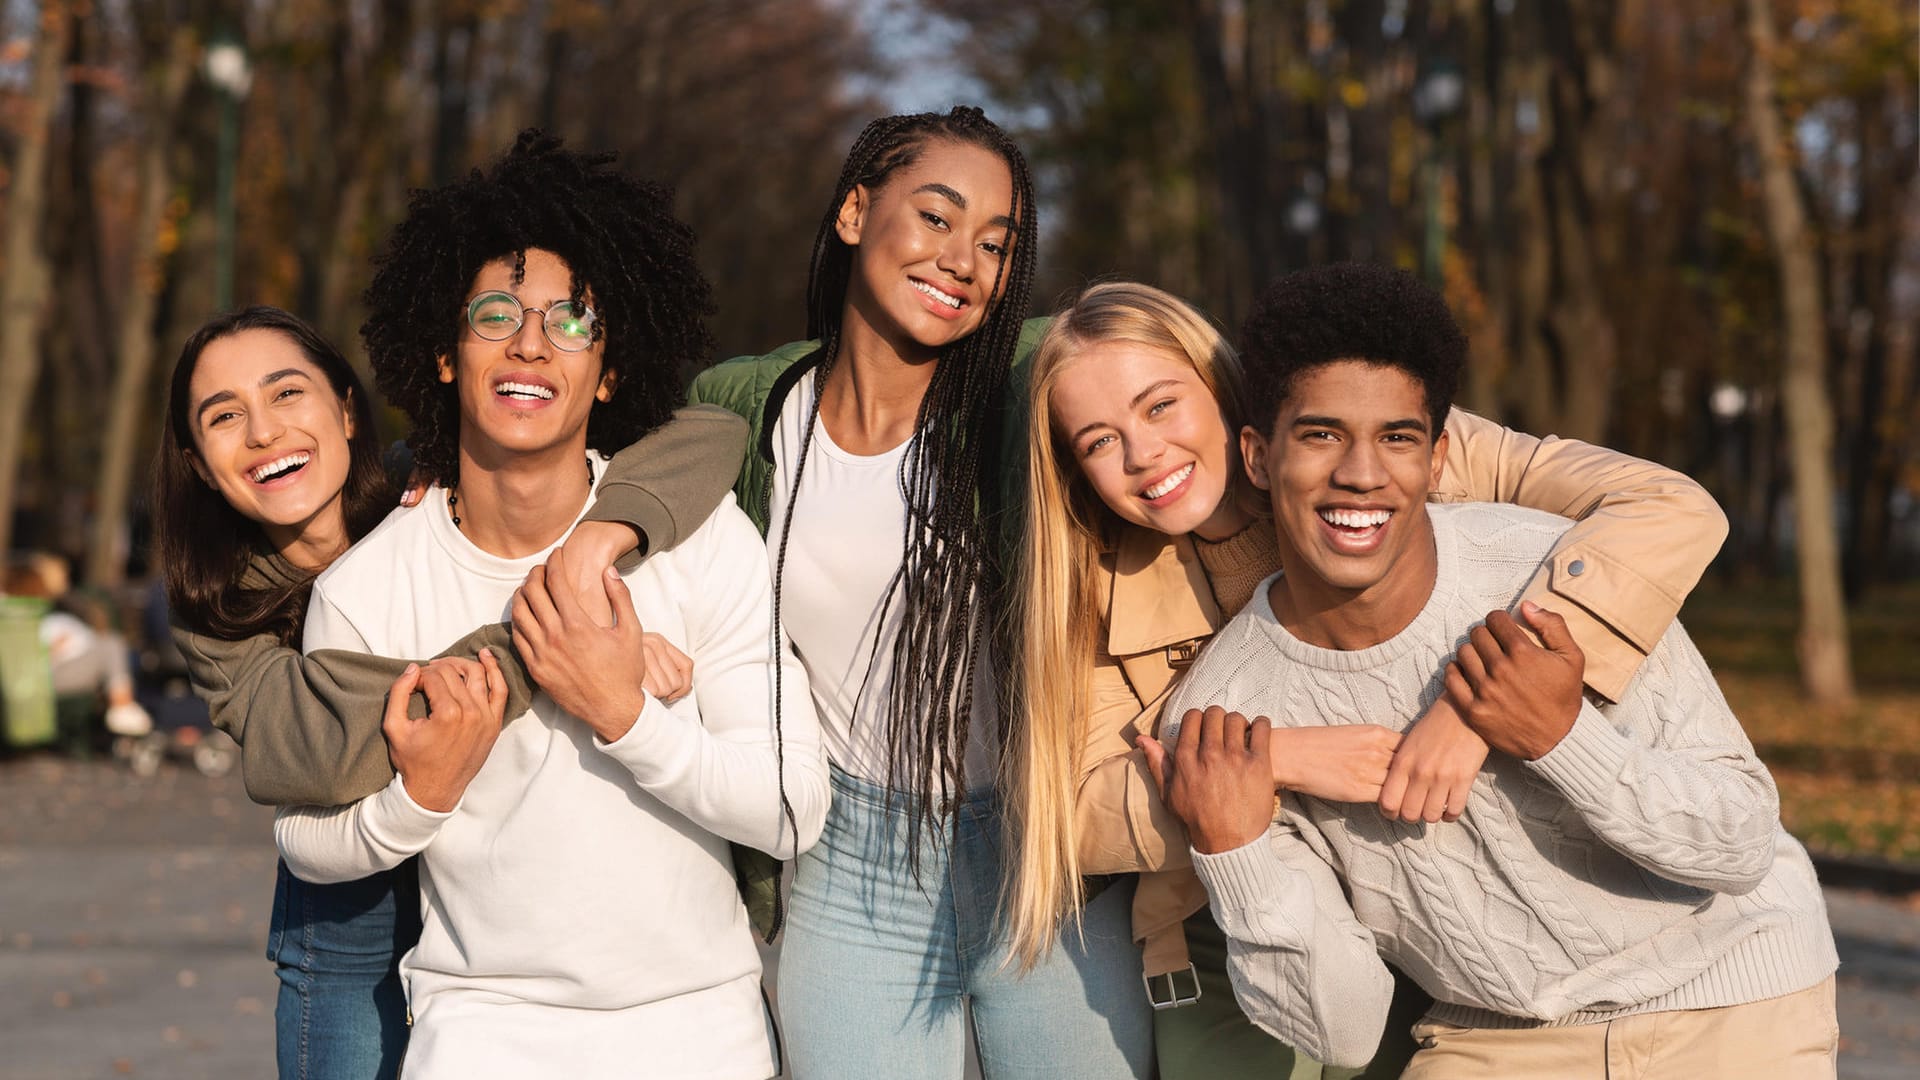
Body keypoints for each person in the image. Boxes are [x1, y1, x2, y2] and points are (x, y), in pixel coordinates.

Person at [1007, 281, 1736, 1078]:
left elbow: (1666, 506)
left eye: (1160, 407)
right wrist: (1276, 758)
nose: (1143, 455)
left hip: (1425, 891)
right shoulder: (1087, 581)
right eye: (1100, 442)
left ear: (1225, 394)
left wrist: (1479, 703)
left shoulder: (1376, 447)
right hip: (1233, 908)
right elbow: (1068, 809)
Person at [1146, 263, 1838, 1079]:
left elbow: (1742, 843)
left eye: (1397, 438)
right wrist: (1239, 853)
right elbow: (1346, 1031)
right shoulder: (1227, 715)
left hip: (1731, 996)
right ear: (1259, 458)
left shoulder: (1549, 572)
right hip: (1494, 1040)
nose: (1362, 473)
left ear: (1438, 457)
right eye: (1321, 434)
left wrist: (1563, 738)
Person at [270, 131, 828, 1078]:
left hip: (698, 1024)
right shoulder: (364, 589)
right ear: (446, 356)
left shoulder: (699, 537)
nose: (532, 342)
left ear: (608, 373)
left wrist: (625, 711)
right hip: (481, 1028)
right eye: (497, 313)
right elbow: (305, 837)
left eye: (572, 322)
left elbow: (790, 805)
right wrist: (421, 795)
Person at [154, 299, 746, 1079]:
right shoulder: (213, 603)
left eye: (287, 393)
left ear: (345, 409)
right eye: (224, 416)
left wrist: (598, 547)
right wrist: (568, 642)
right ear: (198, 459)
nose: (264, 432)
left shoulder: (434, 489)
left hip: (493, 895)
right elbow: (314, 749)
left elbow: (713, 433)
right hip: (350, 908)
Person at [689, 106, 1155, 1079]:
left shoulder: (1022, 391)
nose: (964, 261)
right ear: (856, 212)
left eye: (996, 243)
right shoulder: (751, 406)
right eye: (937, 218)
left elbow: (1166, 382)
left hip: (1046, 857)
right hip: (853, 864)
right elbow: (611, 466)